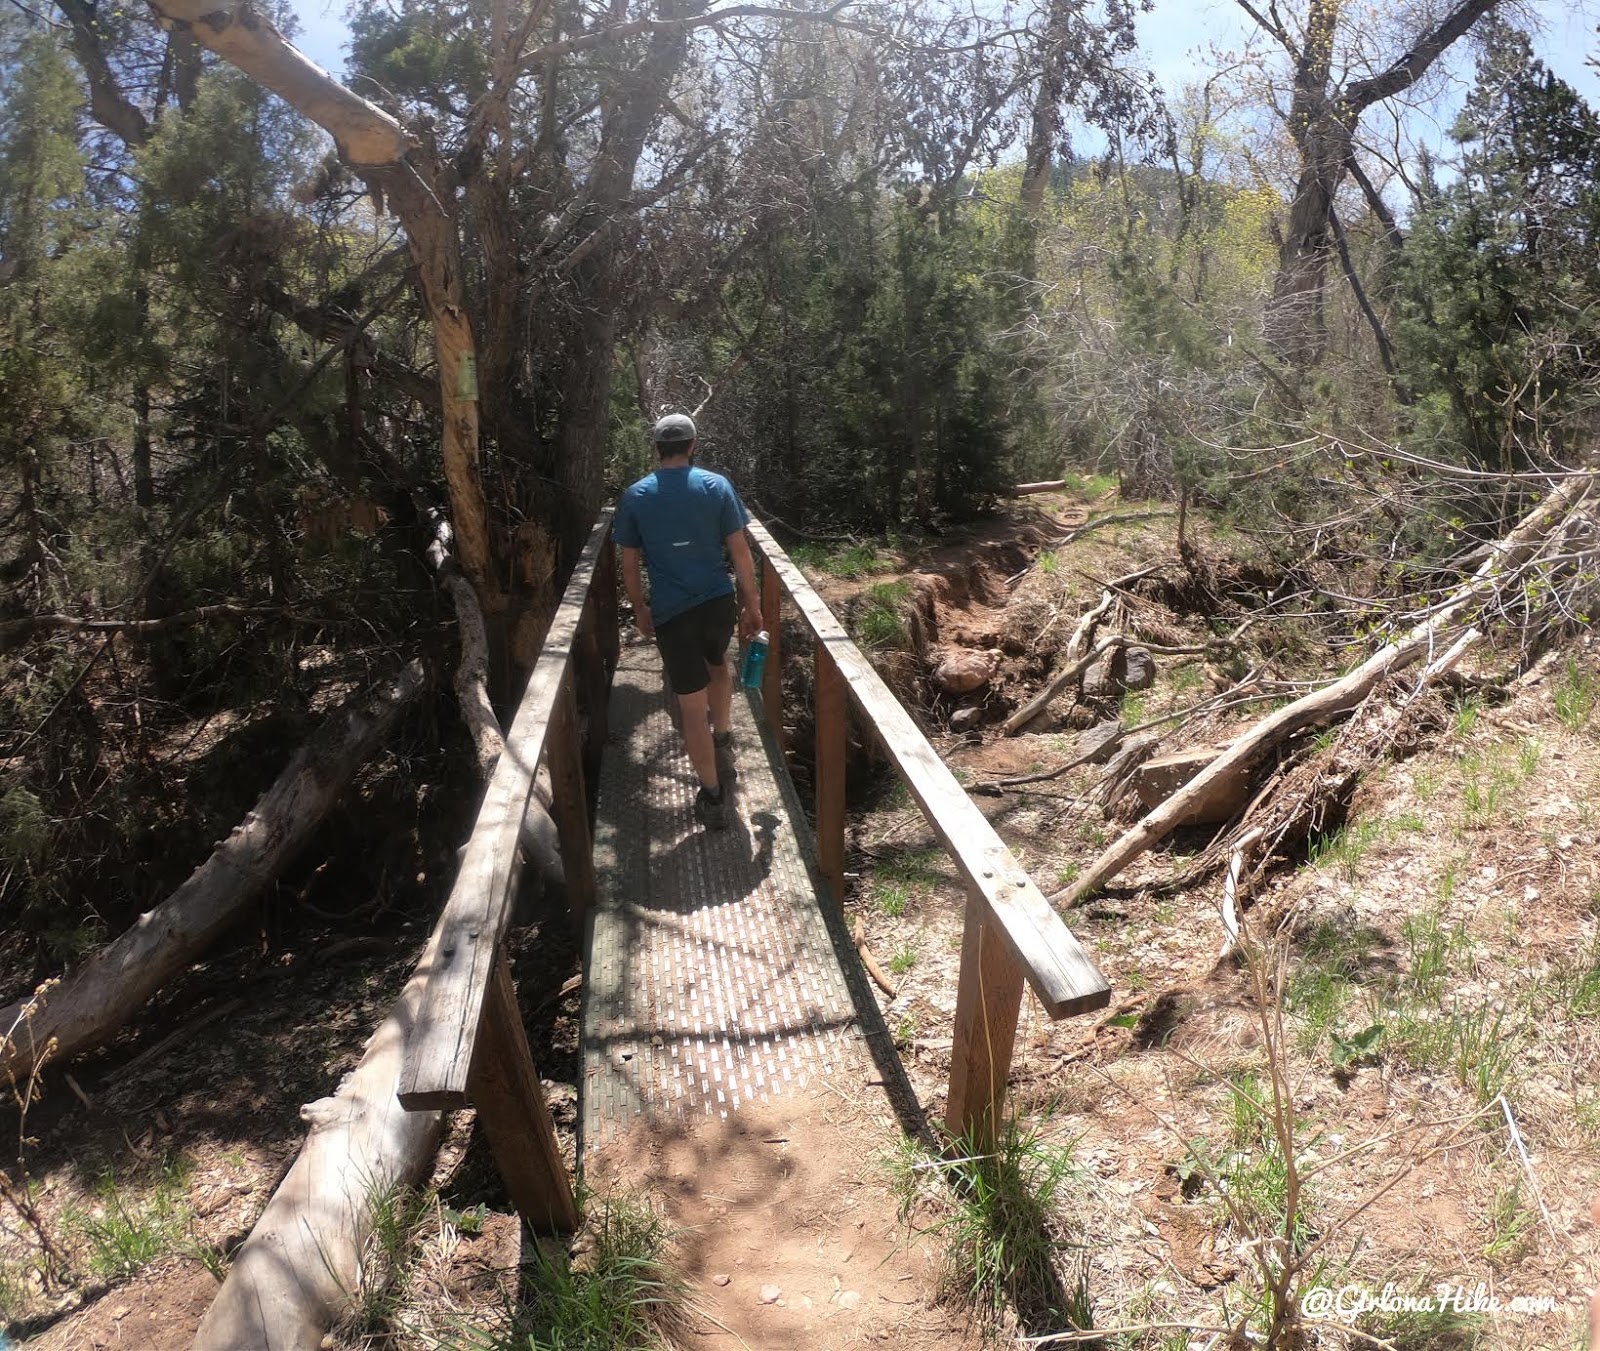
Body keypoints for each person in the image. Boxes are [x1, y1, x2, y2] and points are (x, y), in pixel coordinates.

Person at [615, 413, 761, 830]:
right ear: (693, 445)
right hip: (717, 602)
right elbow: (741, 552)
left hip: (672, 613)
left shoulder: (637, 495)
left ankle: (714, 796)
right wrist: (752, 604)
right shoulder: (716, 486)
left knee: (691, 708)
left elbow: (629, 562)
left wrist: (639, 607)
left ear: (656, 448)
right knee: (718, 664)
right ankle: (724, 735)